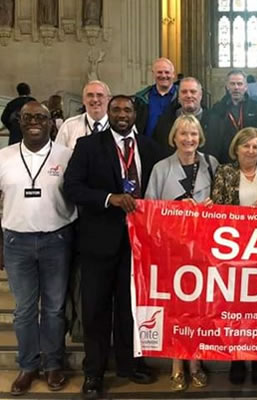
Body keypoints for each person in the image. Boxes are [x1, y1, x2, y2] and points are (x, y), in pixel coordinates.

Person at [63, 95, 165, 398]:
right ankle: (93, 372)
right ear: (108, 112)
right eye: (117, 109)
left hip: (137, 244)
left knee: (129, 308)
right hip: (98, 241)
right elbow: (73, 187)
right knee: (95, 309)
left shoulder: (150, 148)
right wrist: (110, 198)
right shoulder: (89, 146)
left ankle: (130, 364)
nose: (122, 114)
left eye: (128, 110)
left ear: (136, 114)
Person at [0, 101, 76, 396]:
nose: (34, 122)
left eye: (41, 118)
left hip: (56, 240)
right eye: (28, 117)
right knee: (24, 311)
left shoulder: (66, 156)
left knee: (55, 308)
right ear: (19, 122)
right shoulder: (4, 156)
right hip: (16, 242)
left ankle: (54, 363)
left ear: (50, 122)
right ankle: (28, 366)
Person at [145, 114, 217, 392]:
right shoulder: (161, 169)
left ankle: (196, 362)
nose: (189, 139)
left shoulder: (211, 164)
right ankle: (177, 362)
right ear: (174, 137)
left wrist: (213, 207)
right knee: (175, 308)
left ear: (200, 138)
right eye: (183, 134)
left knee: (199, 308)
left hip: (204, 249)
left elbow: (226, 205)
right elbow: (149, 209)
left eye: (194, 134)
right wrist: (175, 208)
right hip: (171, 249)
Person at [211, 127, 257, 384]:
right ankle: (237, 357)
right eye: (246, 146)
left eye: (255, 146)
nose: (250, 151)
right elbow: (218, 206)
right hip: (233, 250)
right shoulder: (225, 172)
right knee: (235, 308)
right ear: (236, 148)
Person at [205, 70, 257, 163]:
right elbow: (213, 137)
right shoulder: (218, 108)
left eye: (239, 84)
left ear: (246, 87)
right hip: (225, 158)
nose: (236, 87)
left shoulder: (256, 108)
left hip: (250, 157)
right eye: (232, 84)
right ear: (227, 86)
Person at [152, 77, 208, 152]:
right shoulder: (164, 123)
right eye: (184, 92)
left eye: (193, 91)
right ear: (178, 96)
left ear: (200, 95)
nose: (188, 95)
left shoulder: (217, 123)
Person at [56, 80, 111, 149]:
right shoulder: (69, 126)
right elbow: (58, 157)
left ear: (109, 100)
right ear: (84, 100)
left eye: (100, 95)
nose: (95, 99)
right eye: (90, 95)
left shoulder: (117, 126)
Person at [134, 57, 178, 137]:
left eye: (167, 72)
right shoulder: (142, 98)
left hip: (175, 147)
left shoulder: (181, 97)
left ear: (173, 74)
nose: (163, 76)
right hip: (147, 146)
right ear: (153, 74)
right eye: (159, 72)